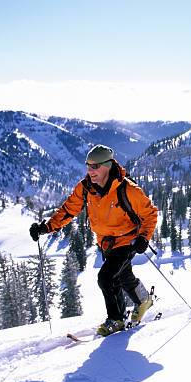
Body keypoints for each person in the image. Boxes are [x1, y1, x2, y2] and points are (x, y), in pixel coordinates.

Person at [29, 144, 158, 336]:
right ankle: (144, 300)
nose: (90, 171)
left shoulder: (128, 189)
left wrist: (143, 237)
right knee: (122, 275)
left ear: (108, 165)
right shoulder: (85, 188)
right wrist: (47, 227)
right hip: (106, 242)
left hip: (127, 239)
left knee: (106, 277)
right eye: (88, 166)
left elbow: (150, 214)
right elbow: (68, 210)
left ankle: (117, 319)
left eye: (95, 166)